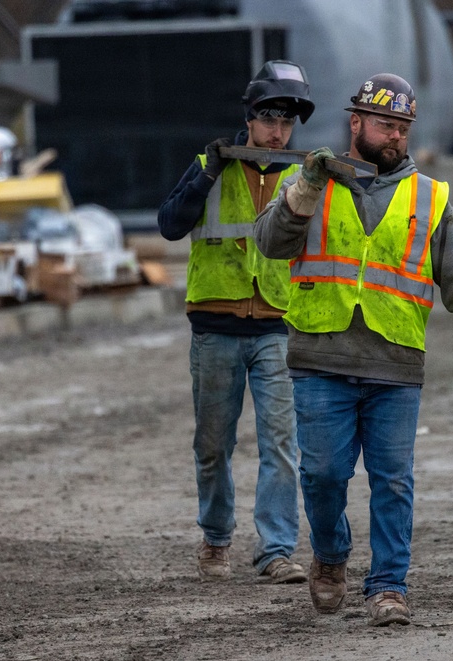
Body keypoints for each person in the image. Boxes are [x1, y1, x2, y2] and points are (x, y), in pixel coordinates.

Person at [253, 73, 453, 625]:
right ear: (356, 123)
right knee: (320, 475)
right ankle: (332, 558)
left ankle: (388, 586)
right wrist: (306, 189)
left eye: (403, 128)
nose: (395, 137)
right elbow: (270, 243)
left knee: (393, 479)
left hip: (395, 363)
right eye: (386, 125)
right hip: (321, 359)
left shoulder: (428, 197)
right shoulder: (310, 182)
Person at [157, 60, 316, 584]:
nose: (278, 131)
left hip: (274, 326)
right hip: (216, 326)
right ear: (250, 117)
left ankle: (275, 549)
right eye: (270, 119)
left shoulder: (299, 177)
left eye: (287, 123)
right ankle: (216, 540)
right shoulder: (211, 163)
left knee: (281, 445)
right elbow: (170, 226)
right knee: (212, 445)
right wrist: (207, 174)